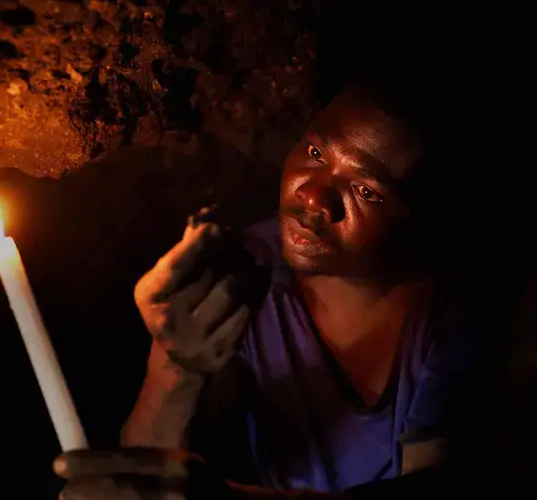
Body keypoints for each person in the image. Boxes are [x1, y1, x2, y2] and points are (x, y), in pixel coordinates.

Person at [52, 67, 498, 499]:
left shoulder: (461, 309)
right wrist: (173, 363)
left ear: (423, 223)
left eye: (366, 191)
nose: (312, 195)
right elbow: (148, 467)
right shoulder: (243, 273)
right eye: (316, 154)